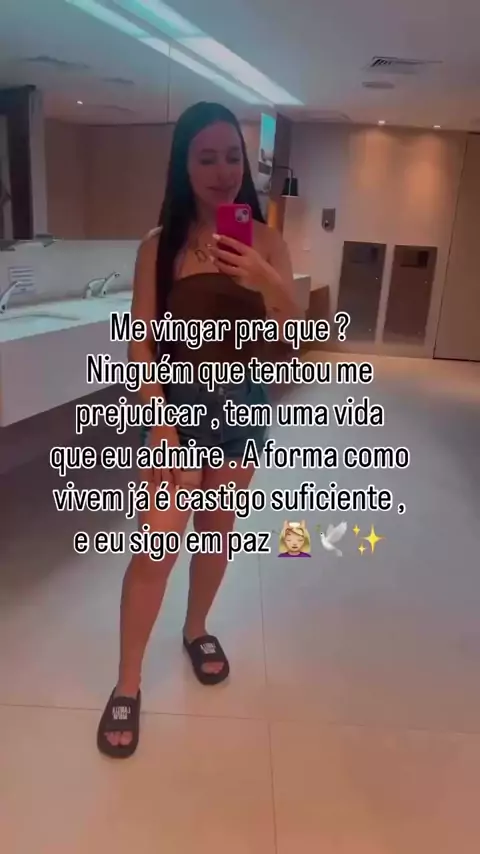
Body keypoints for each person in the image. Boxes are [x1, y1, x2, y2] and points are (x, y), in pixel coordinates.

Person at [97, 101, 300, 758]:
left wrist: (265, 278)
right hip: (175, 415)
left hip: (241, 411)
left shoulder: (265, 241)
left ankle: (196, 628)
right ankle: (128, 683)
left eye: (232, 157)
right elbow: (141, 342)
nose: (222, 171)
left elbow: (290, 338)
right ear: (184, 165)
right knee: (157, 548)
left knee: (215, 530)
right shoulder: (158, 246)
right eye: (206, 157)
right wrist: (159, 420)